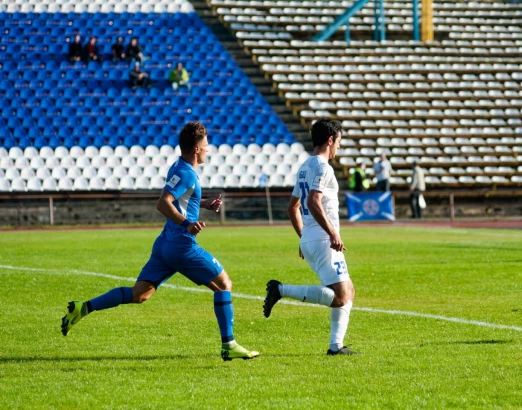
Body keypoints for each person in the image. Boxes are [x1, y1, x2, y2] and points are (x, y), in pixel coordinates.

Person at [61, 122, 259, 361]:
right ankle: (229, 344)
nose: (208, 149)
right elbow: (163, 202)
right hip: (182, 246)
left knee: (139, 295)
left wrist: (204, 204)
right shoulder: (186, 173)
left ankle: (83, 308)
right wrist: (187, 224)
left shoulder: (179, 166)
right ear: (196, 148)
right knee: (224, 285)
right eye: (206, 145)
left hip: (165, 244)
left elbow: (180, 200)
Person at [263, 118, 359, 356]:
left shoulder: (305, 166)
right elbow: (312, 201)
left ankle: (336, 346)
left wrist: (303, 237)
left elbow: (292, 207)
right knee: (341, 296)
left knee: (348, 291)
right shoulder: (323, 168)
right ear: (330, 140)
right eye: (338, 142)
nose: (338, 147)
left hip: (311, 238)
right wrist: (333, 233)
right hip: (323, 240)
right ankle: (280, 289)